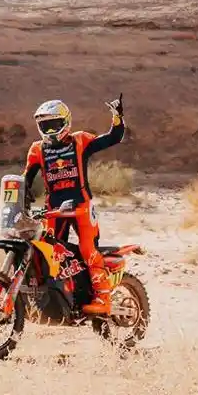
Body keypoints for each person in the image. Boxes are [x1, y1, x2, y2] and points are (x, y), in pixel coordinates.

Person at [22, 94, 125, 315]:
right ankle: (57, 297)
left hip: (81, 207)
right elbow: (25, 182)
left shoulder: (80, 141)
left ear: (66, 122)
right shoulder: (36, 150)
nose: (50, 131)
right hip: (54, 211)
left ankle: (103, 298)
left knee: (88, 249)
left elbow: (112, 138)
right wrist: (18, 203)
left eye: (54, 125)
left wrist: (117, 117)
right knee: (48, 251)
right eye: (44, 126)